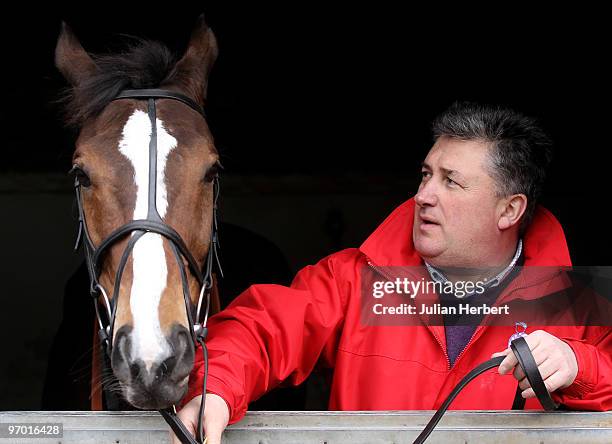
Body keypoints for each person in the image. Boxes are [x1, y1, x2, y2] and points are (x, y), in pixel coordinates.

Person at [171, 102, 612, 444]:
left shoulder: (576, 301)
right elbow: (261, 329)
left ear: (509, 209)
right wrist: (215, 387)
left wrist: (580, 366)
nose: (423, 195)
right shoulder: (355, 280)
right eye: (425, 175)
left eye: (450, 182)